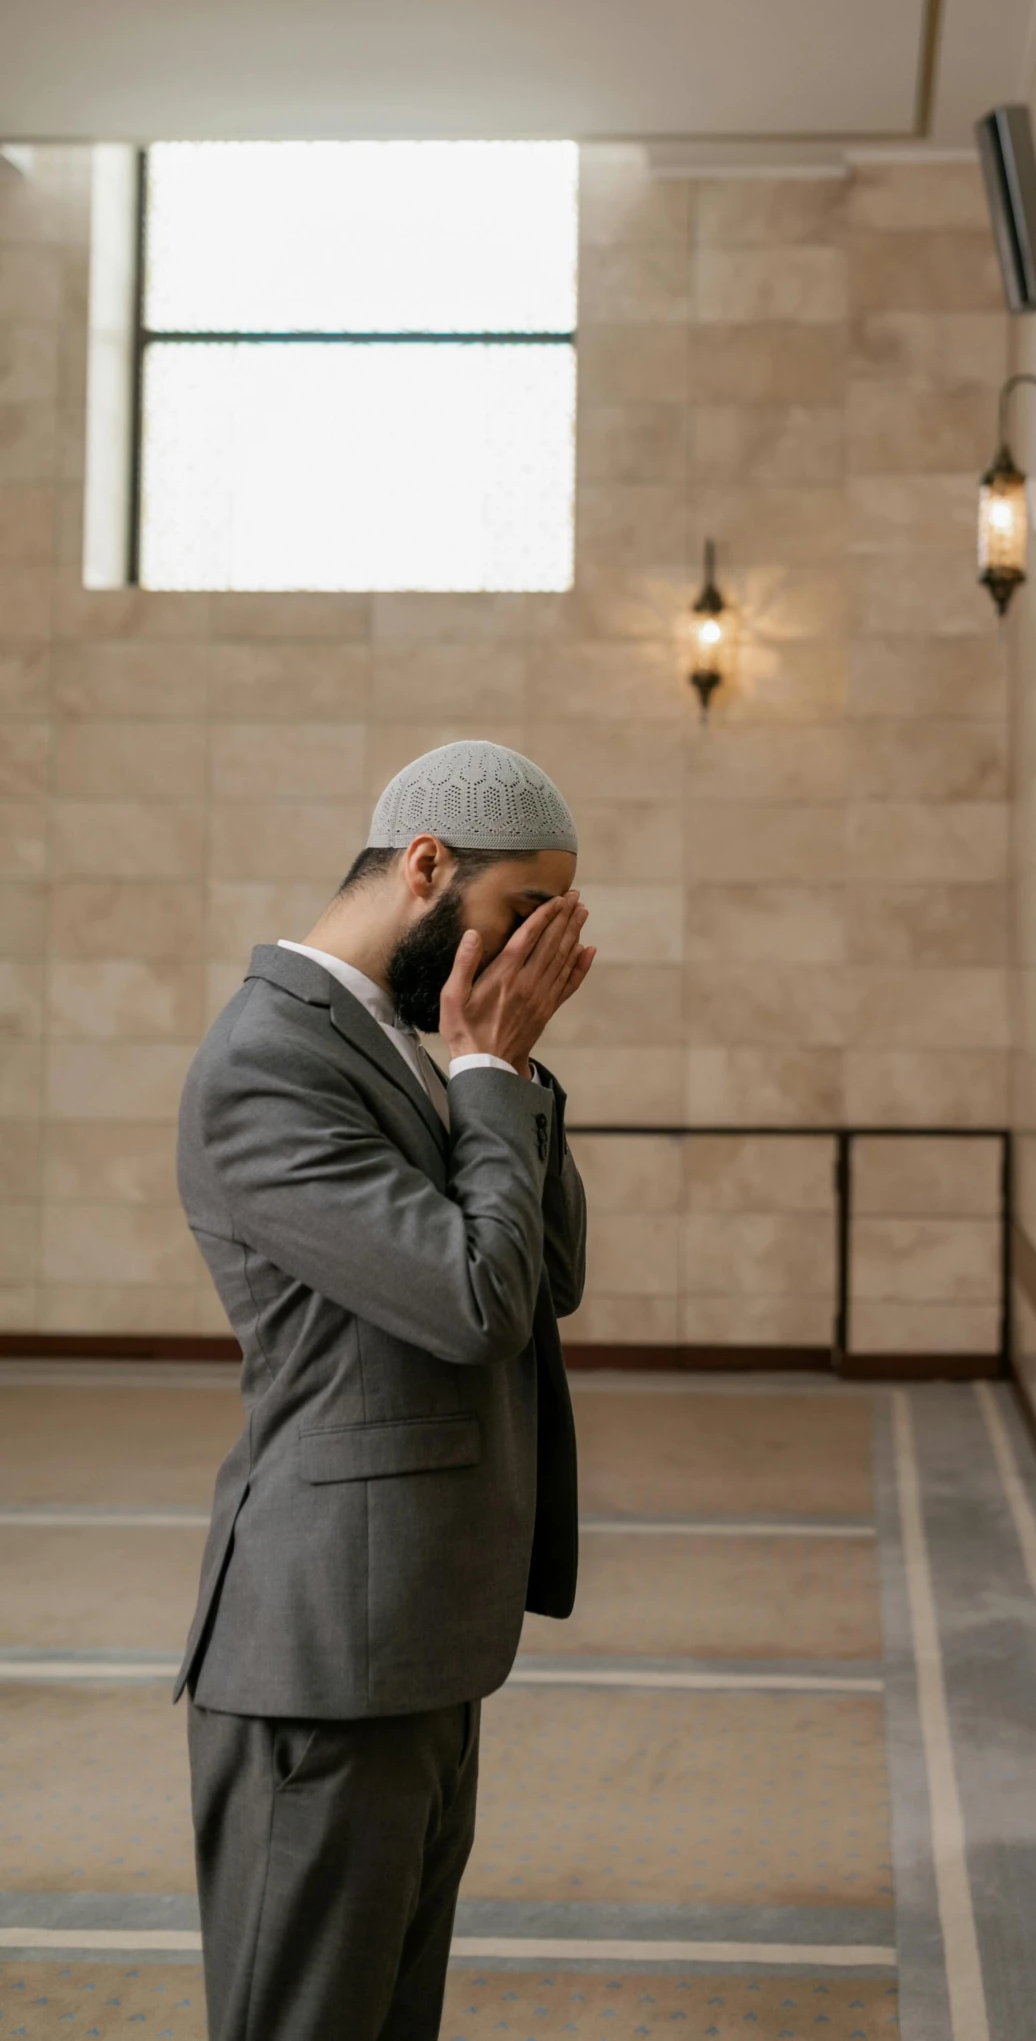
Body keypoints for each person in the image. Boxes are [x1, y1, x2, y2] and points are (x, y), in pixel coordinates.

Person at [174, 739, 595, 2041]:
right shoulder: (268, 1061)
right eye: (522, 914)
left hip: (416, 1634)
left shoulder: (406, 1041)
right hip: (322, 1657)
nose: (535, 958)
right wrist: (490, 1072)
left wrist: (503, 1068)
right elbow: (471, 1301)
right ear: (426, 866)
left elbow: (548, 1275)